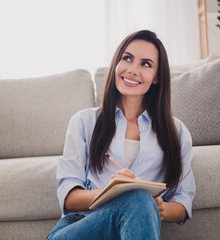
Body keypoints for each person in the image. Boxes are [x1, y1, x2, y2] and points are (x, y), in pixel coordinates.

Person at [47, 30, 196, 240]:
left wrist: (159, 208)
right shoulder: (83, 122)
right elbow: (69, 198)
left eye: (146, 64)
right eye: (127, 58)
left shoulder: (177, 132)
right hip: (77, 228)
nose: (133, 70)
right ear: (116, 63)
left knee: (139, 199)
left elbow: (183, 200)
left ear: (157, 77)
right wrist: (113, 192)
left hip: (136, 227)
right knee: (137, 197)